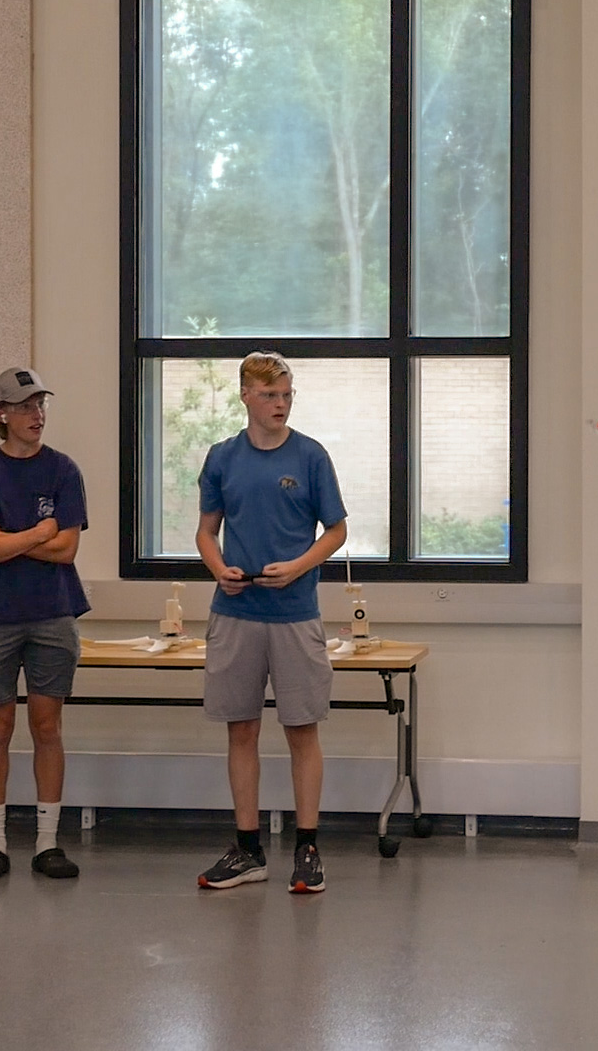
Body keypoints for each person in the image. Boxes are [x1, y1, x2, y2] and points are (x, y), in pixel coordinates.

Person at [195, 351, 347, 893]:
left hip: (294, 613)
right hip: (236, 612)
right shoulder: (222, 458)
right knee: (242, 729)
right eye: (269, 396)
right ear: (246, 397)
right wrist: (220, 571)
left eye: (286, 395)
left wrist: (299, 567)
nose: (280, 404)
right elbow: (206, 533)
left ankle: (307, 847)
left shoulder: (310, 457)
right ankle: (248, 849)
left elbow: (335, 531)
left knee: (301, 728)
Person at [0, 367, 89, 882]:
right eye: (26, 406)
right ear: (0, 414)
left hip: (53, 614)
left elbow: (67, 548)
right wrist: (39, 532)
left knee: (47, 725)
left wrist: (8, 537)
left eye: (41, 405)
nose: (37, 415)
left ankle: (48, 842)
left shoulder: (63, 471)